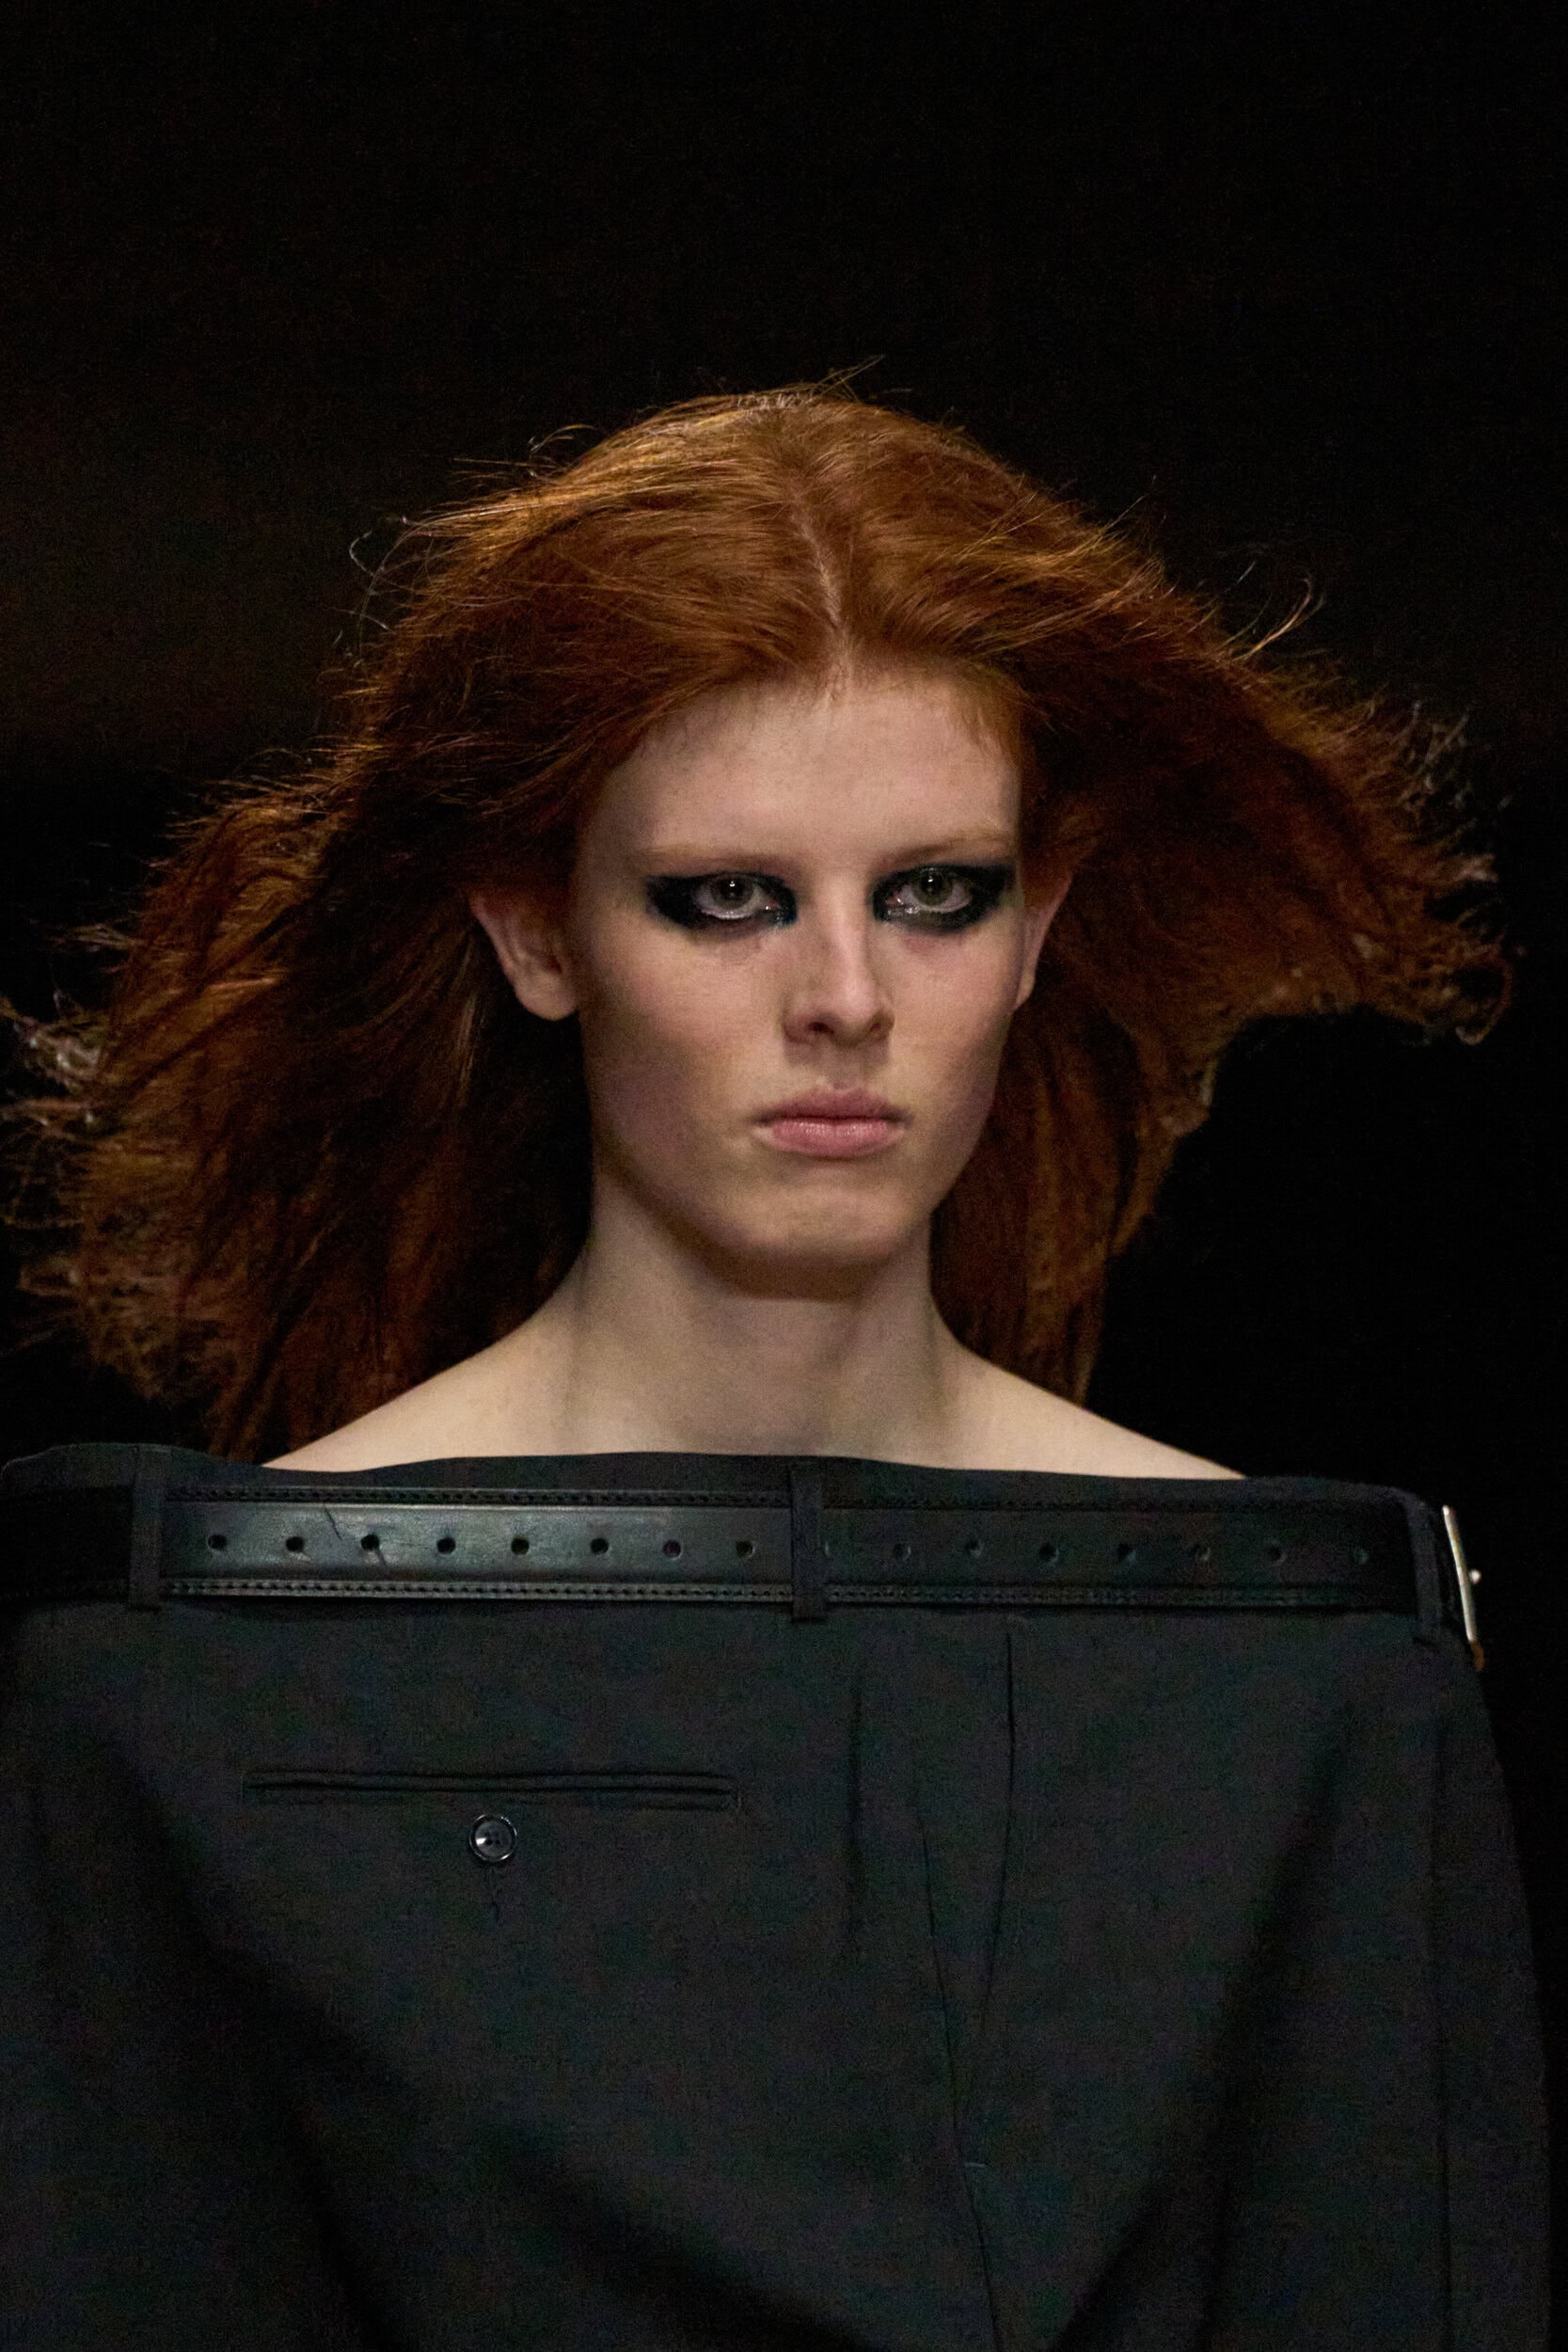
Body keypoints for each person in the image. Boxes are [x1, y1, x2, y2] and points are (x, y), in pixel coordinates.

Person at [0, 389, 1546, 2348]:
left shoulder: (1299, 1684)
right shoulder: (184, 1687)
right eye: (727, 898)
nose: (844, 998)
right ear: (535, 928)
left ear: (1040, 924)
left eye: (935, 893)